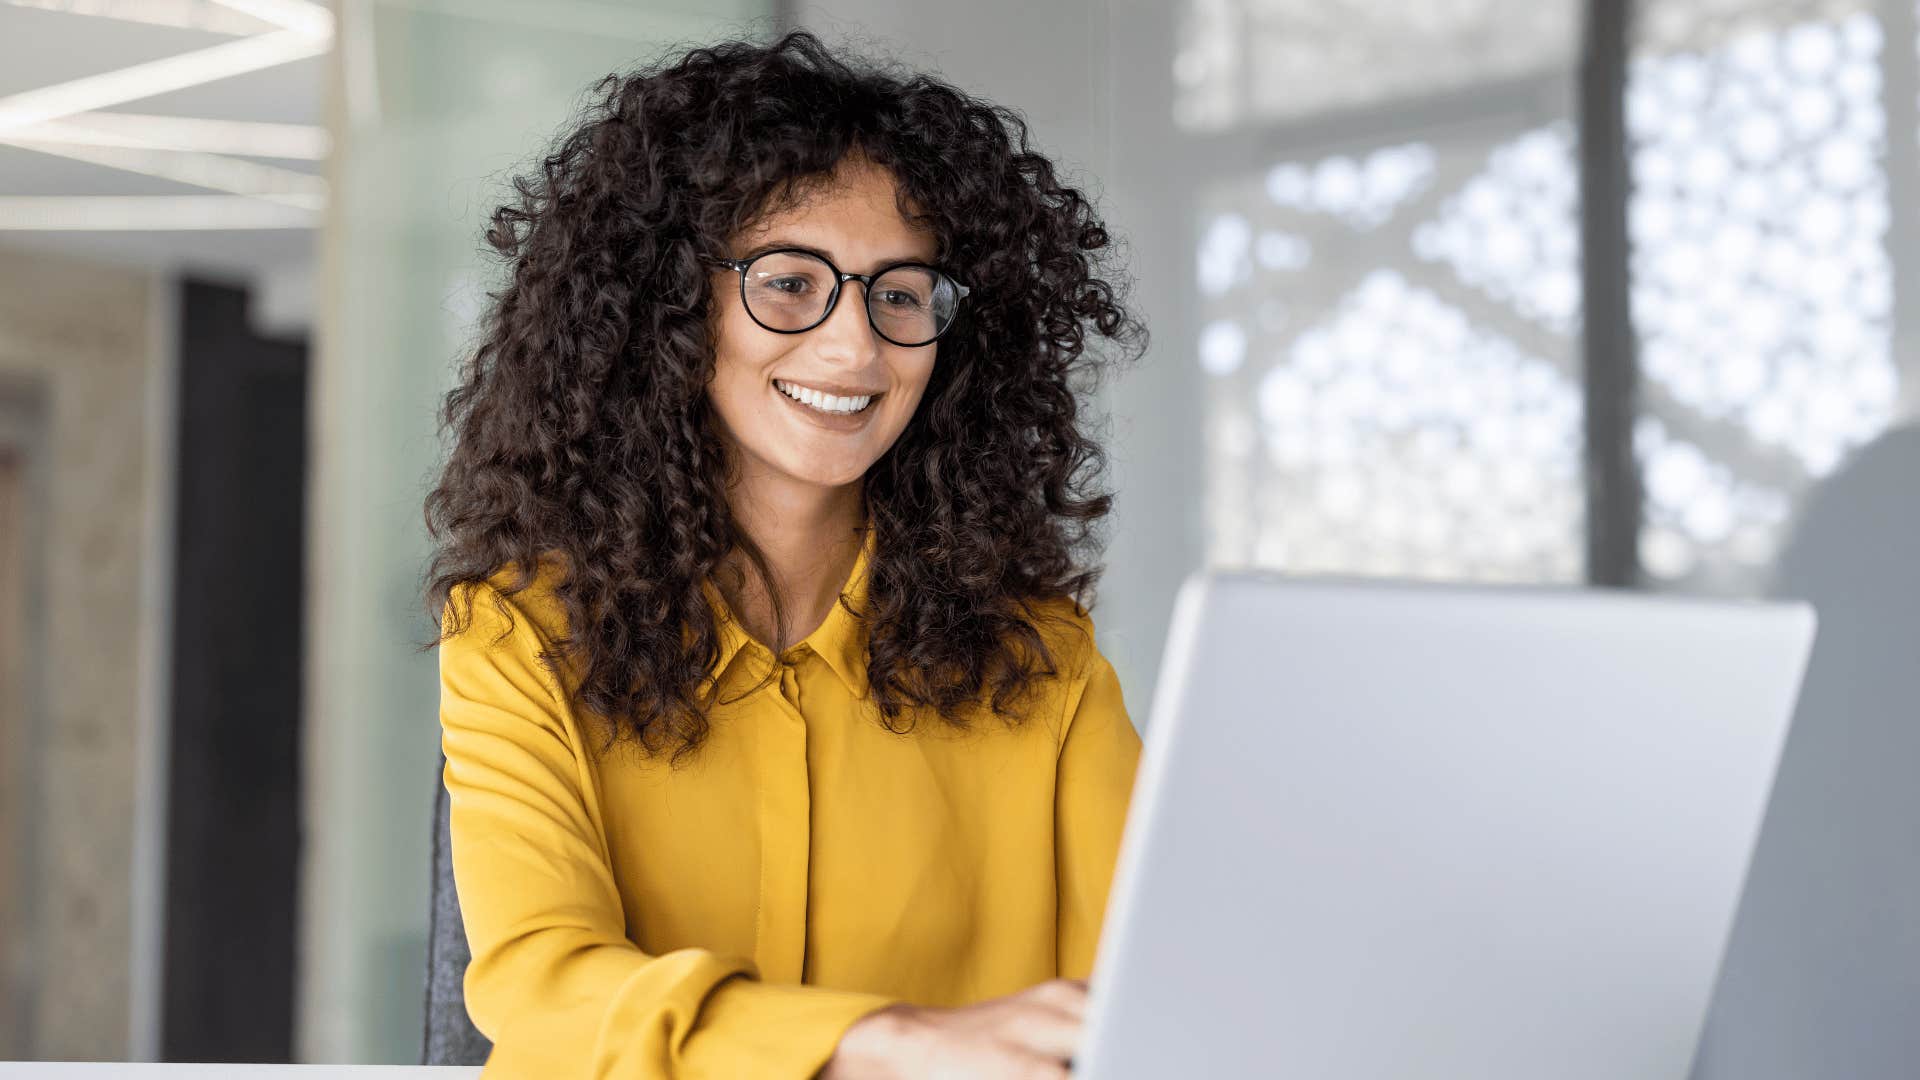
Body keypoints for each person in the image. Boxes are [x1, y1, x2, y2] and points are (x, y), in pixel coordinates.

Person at [423, 29, 1147, 1080]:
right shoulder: (520, 634)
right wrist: (881, 1041)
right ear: (670, 305)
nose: (856, 348)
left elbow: (1146, 1000)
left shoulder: (1047, 663)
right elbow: (544, 986)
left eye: (899, 294)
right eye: (790, 282)